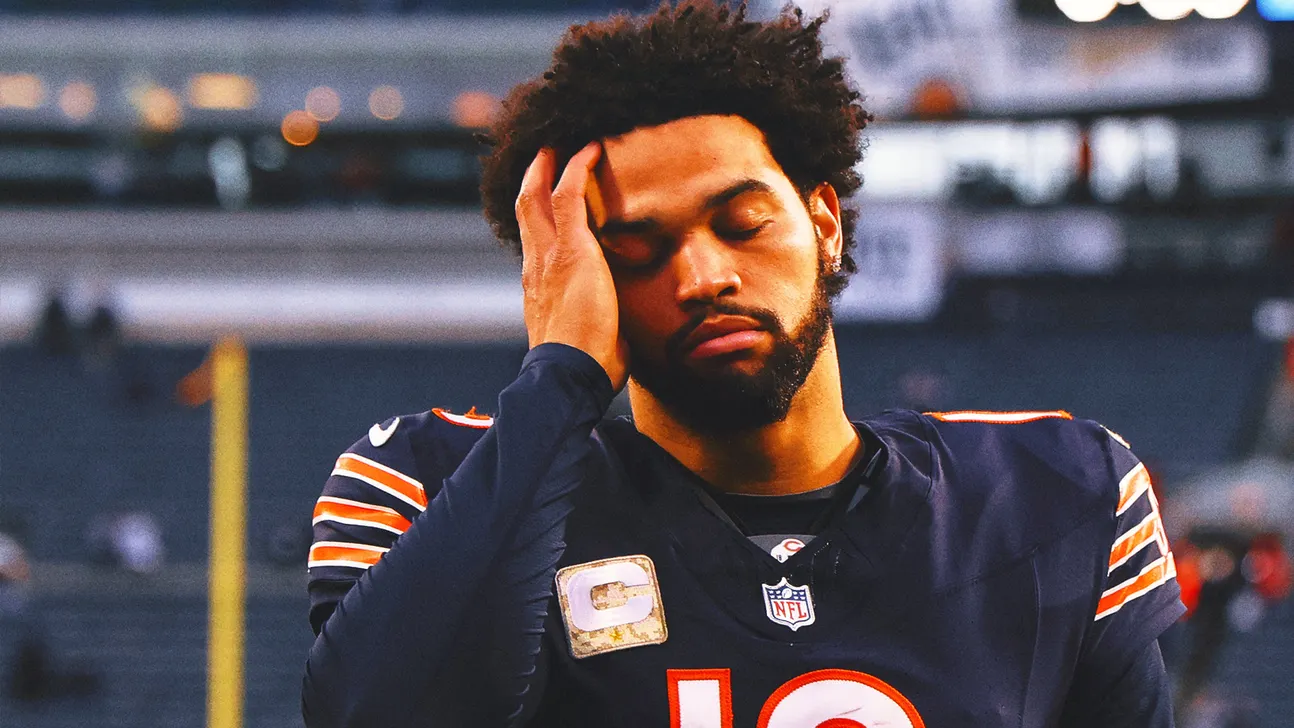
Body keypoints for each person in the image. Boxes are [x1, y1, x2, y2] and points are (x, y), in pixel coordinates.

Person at [301, 3, 1184, 725]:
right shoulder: (431, 482)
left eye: (742, 222)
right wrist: (561, 372)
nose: (703, 276)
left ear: (824, 222)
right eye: (637, 251)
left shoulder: (1054, 494)